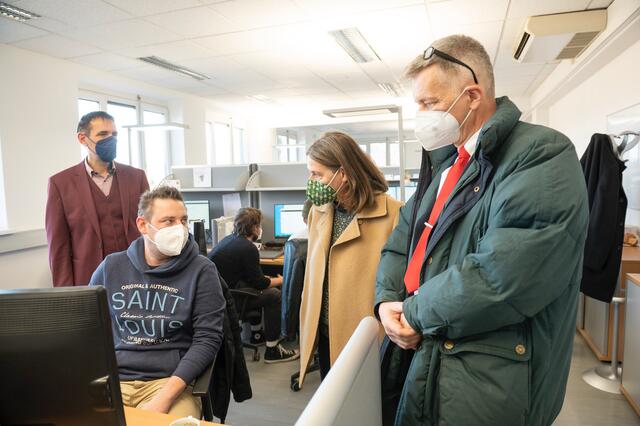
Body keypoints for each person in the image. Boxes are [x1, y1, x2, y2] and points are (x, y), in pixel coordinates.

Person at [375, 35, 588, 425]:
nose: (421, 115)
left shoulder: (541, 155)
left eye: (429, 103)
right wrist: (385, 301)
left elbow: (502, 277)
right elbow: (399, 245)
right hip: (428, 346)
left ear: (472, 96)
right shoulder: (447, 167)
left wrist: (413, 311)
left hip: (488, 380)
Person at [89, 186, 225, 418]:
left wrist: (164, 398)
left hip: (168, 382)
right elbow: (88, 325)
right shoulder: (111, 266)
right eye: (168, 221)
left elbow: (208, 339)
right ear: (143, 225)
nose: (179, 229)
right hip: (114, 379)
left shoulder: (202, 270)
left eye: (183, 220)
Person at [298, 131, 403, 386]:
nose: (312, 181)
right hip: (323, 330)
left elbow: (401, 284)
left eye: (317, 174)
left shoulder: (394, 214)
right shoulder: (318, 212)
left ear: (342, 173)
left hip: (364, 335)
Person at [46, 111, 149, 286]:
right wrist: (66, 293)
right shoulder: (61, 184)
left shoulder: (136, 177)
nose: (111, 139)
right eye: (102, 134)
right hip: (89, 279)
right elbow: (59, 247)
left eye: (114, 134)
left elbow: (150, 229)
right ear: (82, 138)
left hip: (136, 276)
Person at [208, 207, 299, 363]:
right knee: (273, 295)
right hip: (230, 299)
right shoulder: (248, 248)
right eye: (259, 225)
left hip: (220, 295)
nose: (260, 229)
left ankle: (257, 335)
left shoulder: (229, 240)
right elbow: (260, 283)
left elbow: (251, 278)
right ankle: (272, 349)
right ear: (254, 228)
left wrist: (269, 279)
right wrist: (281, 280)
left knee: (258, 287)